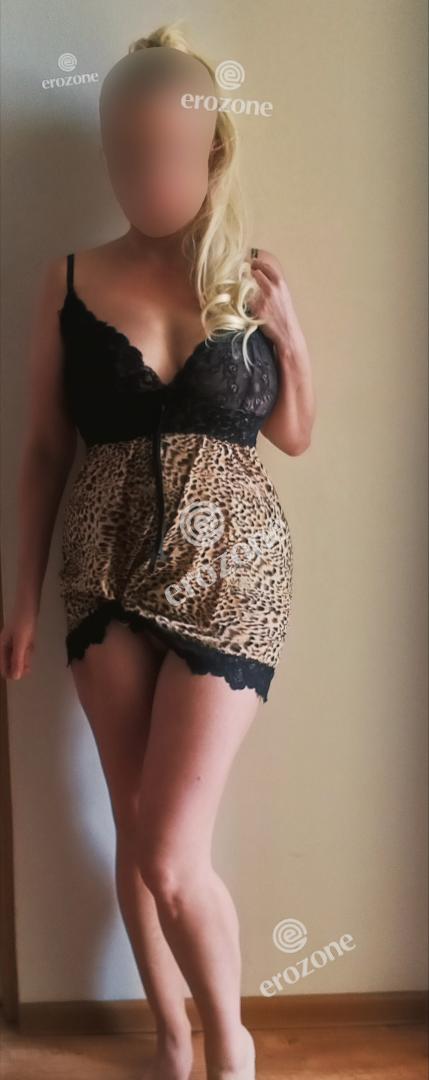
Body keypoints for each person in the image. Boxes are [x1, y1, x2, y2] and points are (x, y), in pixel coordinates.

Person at [0, 20, 315, 1080]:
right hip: (99, 566)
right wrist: (21, 596)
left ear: (212, 151)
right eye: (125, 154)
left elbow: (294, 435)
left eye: (167, 153)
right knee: (136, 832)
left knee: (173, 850)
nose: (145, 175)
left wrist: (290, 334)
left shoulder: (247, 277)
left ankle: (231, 1042)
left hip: (233, 577)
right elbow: (44, 449)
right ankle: (172, 1039)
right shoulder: (66, 278)